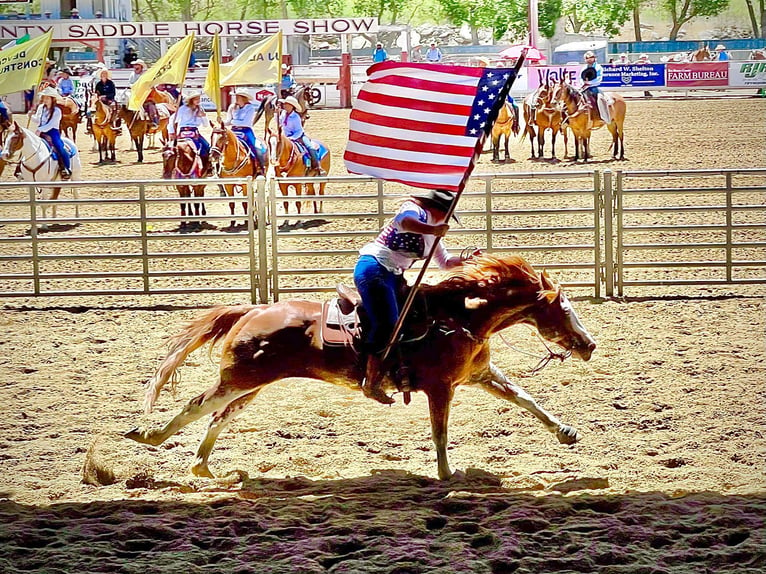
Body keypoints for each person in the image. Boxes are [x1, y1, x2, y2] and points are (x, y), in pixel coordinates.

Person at [353, 189, 471, 404]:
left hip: (392, 274)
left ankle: (399, 367)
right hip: (375, 268)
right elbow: (404, 222)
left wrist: (469, 261)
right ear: (437, 210)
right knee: (387, 323)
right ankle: (371, 382)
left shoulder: (430, 233)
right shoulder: (413, 210)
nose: (446, 221)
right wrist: (433, 229)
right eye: (446, 215)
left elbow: (445, 262)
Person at [28, 87, 71, 179]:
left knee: (59, 147)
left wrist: (40, 130)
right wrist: (31, 116)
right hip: (40, 131)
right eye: (44, 98)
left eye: (47, 98)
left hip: (52, 132)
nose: (45, 100)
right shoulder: (41, 108)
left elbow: (52, 124)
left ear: (52, 99)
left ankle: (65, 168)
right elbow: (38, 120)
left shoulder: (57, 111)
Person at [278, 95, 325, 176]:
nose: (284, 105)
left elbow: (299, 131)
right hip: (285, 136)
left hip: (297, 136)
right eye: (284, 104)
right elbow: (280, 123)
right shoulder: (283, 114)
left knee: (310, 147)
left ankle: (317, 166)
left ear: (291, 106)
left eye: (286, 104)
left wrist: (291, 138)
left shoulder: (296, 117)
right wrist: (276, 113)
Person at [167, 90, 212, 176]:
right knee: (170, 150)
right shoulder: (183, 109)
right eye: (196, 99)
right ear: (191, 100)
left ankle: (208, 167)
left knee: (208, 148)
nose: (198, 101)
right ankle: (170, 169)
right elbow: (172, 119)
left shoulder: (200, 109)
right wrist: (171, 132)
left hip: (194, 131)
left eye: (199, 99)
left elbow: (205, 125)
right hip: (183, 131)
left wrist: (203, 116)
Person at [225, 88, 265, 173]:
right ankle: (218, 168)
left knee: (254, 146)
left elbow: (246, 123)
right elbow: (227, 120)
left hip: (246, 131)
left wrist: (231, 122)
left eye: (238, 97)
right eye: (236, 96)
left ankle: (260, 167)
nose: (236, 98)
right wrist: (222, 122)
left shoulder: (250, 108)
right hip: (234, 130)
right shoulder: (232, 107)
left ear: (243, 98)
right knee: (222, 145)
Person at [580, 51, 610, 124]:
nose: (589, 59)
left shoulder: (598, 67)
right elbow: (580, 78)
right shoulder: (584, 68)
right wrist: (583, 83)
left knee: (600, 99)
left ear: (594, 58)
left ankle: (603, 117)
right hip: (584, 88)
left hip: (594, 87)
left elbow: (599, 79)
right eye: (587, 58)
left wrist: (589, 83)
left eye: (591, 57)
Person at [92, 67, 120, 133]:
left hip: (109, 99)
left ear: (107, 75)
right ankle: (90, 125)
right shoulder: (98, 84)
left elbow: (113, 93)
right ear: (100, 75)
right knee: (92, 109)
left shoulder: (111, 83)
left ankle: (113, 124)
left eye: (105, 73)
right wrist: (98, 97)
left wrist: (106, 96)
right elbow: (96, 92)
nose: (103, 75)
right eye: (102, 73)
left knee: (115, 108)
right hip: (100, 100)